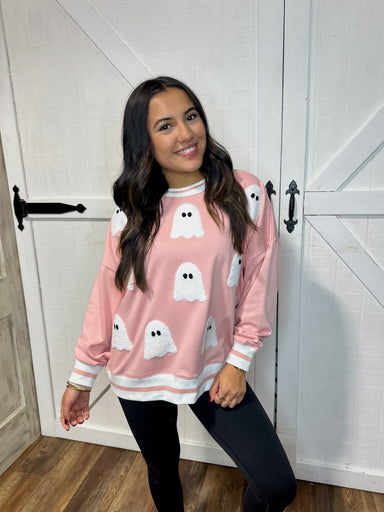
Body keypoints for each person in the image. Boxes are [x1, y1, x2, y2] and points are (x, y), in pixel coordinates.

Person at [60, 76, 297, 511]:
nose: (187, 133)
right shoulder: (132, 209)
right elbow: (107, 298)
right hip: (137, 368)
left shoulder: (242, 192)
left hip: (212, 366)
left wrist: (238, 361)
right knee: (163, 469)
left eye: (191, 116)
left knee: (277, 485)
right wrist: (81, 377)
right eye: (166, 125)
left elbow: (260, 281)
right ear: (143, 141)